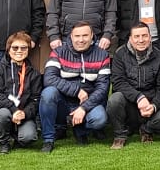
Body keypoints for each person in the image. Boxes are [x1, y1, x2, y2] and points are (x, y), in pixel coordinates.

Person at [40, 21, 111, 150]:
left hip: (88, 101)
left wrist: (83, 108)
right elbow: (49, 79)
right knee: (48, 93)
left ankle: (80, 128)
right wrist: (77, 91)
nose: (81, 40)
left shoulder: (103, 55)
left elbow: (103, 88)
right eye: (77, 36)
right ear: (71, 37)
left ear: (92, 36)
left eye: (85, 35)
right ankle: (48, 139)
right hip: (64, 102)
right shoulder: (58, 52)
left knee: (99, 119)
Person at [107, 21, 160, 146]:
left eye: (144, 36)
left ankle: (146, 130)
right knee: (114, 100)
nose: (141, 40)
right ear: (130, 39)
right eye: (136, 36)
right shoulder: (120, 54)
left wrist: (154, 106)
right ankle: (120, 134)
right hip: (128, 103)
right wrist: (139, 97)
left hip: (150, 104)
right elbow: (118, 82)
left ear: (150, 37)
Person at [0, 31, 44, 152]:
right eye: (15, 47)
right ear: (8, 49)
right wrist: (14, 110)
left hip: (24, 115)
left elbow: (36, 99)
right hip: (4, 113)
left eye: (23, 48)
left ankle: (16, 138)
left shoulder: (34, 73)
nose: (19, 51)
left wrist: (24, 113)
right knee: (3, 114)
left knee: (29, 137)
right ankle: (4, 143)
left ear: (28, 50)